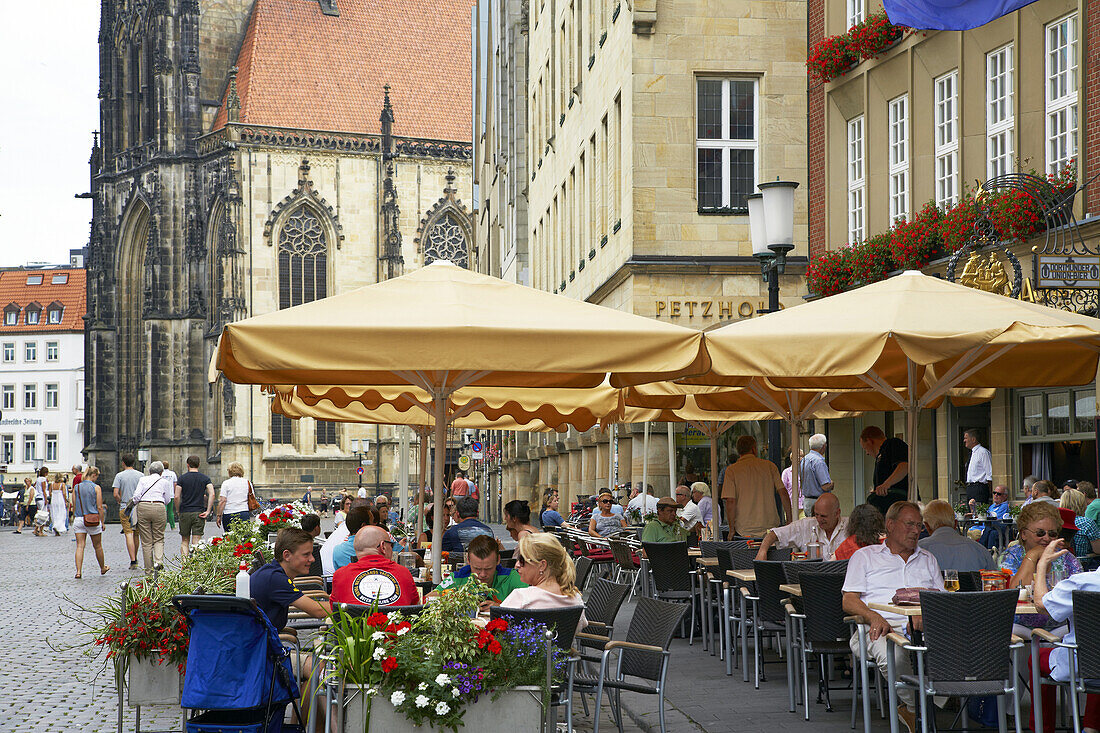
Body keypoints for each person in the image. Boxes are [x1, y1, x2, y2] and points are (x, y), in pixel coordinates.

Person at [842, 501, 944, 733]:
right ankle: (915, 708)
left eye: (919, 525)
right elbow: (848, 601)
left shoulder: (928, 558)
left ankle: (928, 705)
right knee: (894, 657)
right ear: (890, 525)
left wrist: (924, 614)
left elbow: (942, 600)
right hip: (879, 629)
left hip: (923, 629)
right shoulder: (865, 557)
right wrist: (872, 616)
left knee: (959, 650)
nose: (916, 530)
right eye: (909, 524)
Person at [1029, 538, 1100, 733]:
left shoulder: (1084, 582)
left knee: (1035, 656)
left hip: (1081, 666)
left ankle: (1043, 729)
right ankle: (1092, 725)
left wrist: (1042, 563)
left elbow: (1041, 605)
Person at [251, 528, 331, 687]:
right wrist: (351, 605)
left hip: (260, 647)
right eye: (306, 554)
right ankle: (319, 713)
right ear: (286, 555)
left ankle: (303, 713)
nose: (312, 559)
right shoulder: (276, 579)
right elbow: (318, 610)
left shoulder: (273, 573)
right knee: (321, 669)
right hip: (258, 655)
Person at [1000, 500, 1083, 637]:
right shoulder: (1010, 557)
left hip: (1060, 628)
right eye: (1040, 533)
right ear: (1023, 534)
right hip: (1019, 628)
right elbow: (1014, 595)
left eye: (1052, 534)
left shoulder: (1066, 558)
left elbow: (1079, 596)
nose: (1046, 538)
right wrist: (1032, 556)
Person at [500, 533, 587, 634]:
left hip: (524, 649)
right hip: (562, 650)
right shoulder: (575, 598)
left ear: (542, 565)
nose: (517, 565)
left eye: (522, 560)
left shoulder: (522, 597)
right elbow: (582, 625)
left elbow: (496, 627)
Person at [722, 434, 792, 540]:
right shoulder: (769, 466)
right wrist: (789, 520)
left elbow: (730, 501)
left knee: (744, 557)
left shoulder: (732, 470)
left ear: (738, 451)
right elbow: (783, 493)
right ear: (754, 449)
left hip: (744, 530)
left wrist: (731, 529)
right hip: (770, 528)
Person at [429, 534, 527, 609]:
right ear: (468, 560)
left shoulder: (512, 577)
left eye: (488, 569)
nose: (483, 575)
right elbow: (428, 599)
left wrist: (500, 608)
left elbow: (531, 605)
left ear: (498, 560)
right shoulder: (458, 577)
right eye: (477, 569)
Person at [330, 526, 419, 607]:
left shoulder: (340, 575)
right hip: (395, 624)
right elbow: (413, 606)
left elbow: (334, 609)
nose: (392, 549)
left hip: (354, 625)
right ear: (383, 546)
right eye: (391, 545)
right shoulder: (404, 573)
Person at [755, 491, 847, 560]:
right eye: (816, 515)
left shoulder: (850, 526)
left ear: (837, 513)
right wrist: (762, 551)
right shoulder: (806, 525)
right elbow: (774, 534)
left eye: (823, 516)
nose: (819, 519)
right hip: (813, 580)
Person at [917, 499, 996, 572]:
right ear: (955, 524)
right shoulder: (980, 550)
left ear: (927, 526)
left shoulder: (918, 551)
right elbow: (994, 580)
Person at [859, 426, 910, 516]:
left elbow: (904, 466)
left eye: (865, 448)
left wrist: (886, 484)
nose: (867, 453)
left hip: (900, 505)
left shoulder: (893, 444)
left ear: (870, 441)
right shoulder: (879, 457)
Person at [132, 461, 173, 571]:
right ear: (161, 472)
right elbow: (168, 500)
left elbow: (136, 497)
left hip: (143, 507)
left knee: (146, 542)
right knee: (159, 538)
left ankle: (149, 571)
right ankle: (158, 563)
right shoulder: (164, 482)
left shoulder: (143, 480)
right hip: (159, 506)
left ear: (149, 471)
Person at [72, 466, 109, 578]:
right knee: (97, 546)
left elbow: (74, 505)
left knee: (80, 546)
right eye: (96, 477)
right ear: (93, 475)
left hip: (79, 518)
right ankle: (102, 568)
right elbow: (99, 507)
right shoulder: (96, 488)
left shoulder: (76, 487)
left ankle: (78, 571)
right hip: (92, 519)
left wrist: (75, 516)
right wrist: (102, 522)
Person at [176, 455, 214, 559]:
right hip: (199, 512)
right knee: (196, 540)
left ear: (187, 465)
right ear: (199, 464)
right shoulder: (205, 478)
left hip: (185, 511)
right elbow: (212, 494)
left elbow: (176, 496)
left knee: (184, 541)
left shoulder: (182, 478)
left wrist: (178, 510)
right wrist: (208, 510)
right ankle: (195, 566)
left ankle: (185, 564)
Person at [111, 454, 144, 568]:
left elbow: (115, 493)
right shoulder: (141, 475)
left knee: (128, 533)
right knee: (136, 534)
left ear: (123, 463)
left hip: (125, 507)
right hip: (138, 507)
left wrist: (120, 501)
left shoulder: (119, 476)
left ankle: (133, 560)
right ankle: (136, 557)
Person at [332, 506, 379, 571]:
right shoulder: (378, 547)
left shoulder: (337, 550)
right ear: (364, 526)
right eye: (372, 523)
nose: (375, 526)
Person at [800, 433, 834, 518]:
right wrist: (832, 484)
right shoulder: (818, 461)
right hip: (818, 502)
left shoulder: (804, 460)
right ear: (823, 446)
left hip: (807, 501)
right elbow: (825, 486)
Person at [1059, 488, 1100, 557]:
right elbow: (1098, 550)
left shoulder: (1057, 522)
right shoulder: (1087, 523)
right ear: (1082, 504)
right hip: (1085, 563)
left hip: (1062, 561)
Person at [216, 462, 253, 531]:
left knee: (229, 537)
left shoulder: (226, 483)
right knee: (243, 537)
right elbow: (251, 496)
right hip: (243, 512)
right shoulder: (247, 482)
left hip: (229, 513)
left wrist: (219, 515)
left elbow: (222, 501)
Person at [962, 428, 993, 504]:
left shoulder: (983, 452)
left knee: (979, 514)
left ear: (973, 439)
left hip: (979, 488)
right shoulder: (972, 453)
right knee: (970, 513)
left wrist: (989, 491)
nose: (964, 440)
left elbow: (989, 473)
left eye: (966, 438)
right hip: (970, 488)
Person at [781, 446, 805, 518]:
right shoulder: (786, 472)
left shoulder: (806, 471)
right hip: (791, 506)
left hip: (804, 506)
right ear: (791, 458)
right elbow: (783, 489)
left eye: (800, 456)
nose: (798, 458)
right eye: (796, 456)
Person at [162, 460, 178, 531]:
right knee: (170, 511)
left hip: (162, 494)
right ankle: (173, 525)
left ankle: (164, 526)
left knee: (164, 511)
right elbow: (175, 484)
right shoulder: (172, 473)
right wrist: (175, 493)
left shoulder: (161, 474)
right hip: (171, 494)